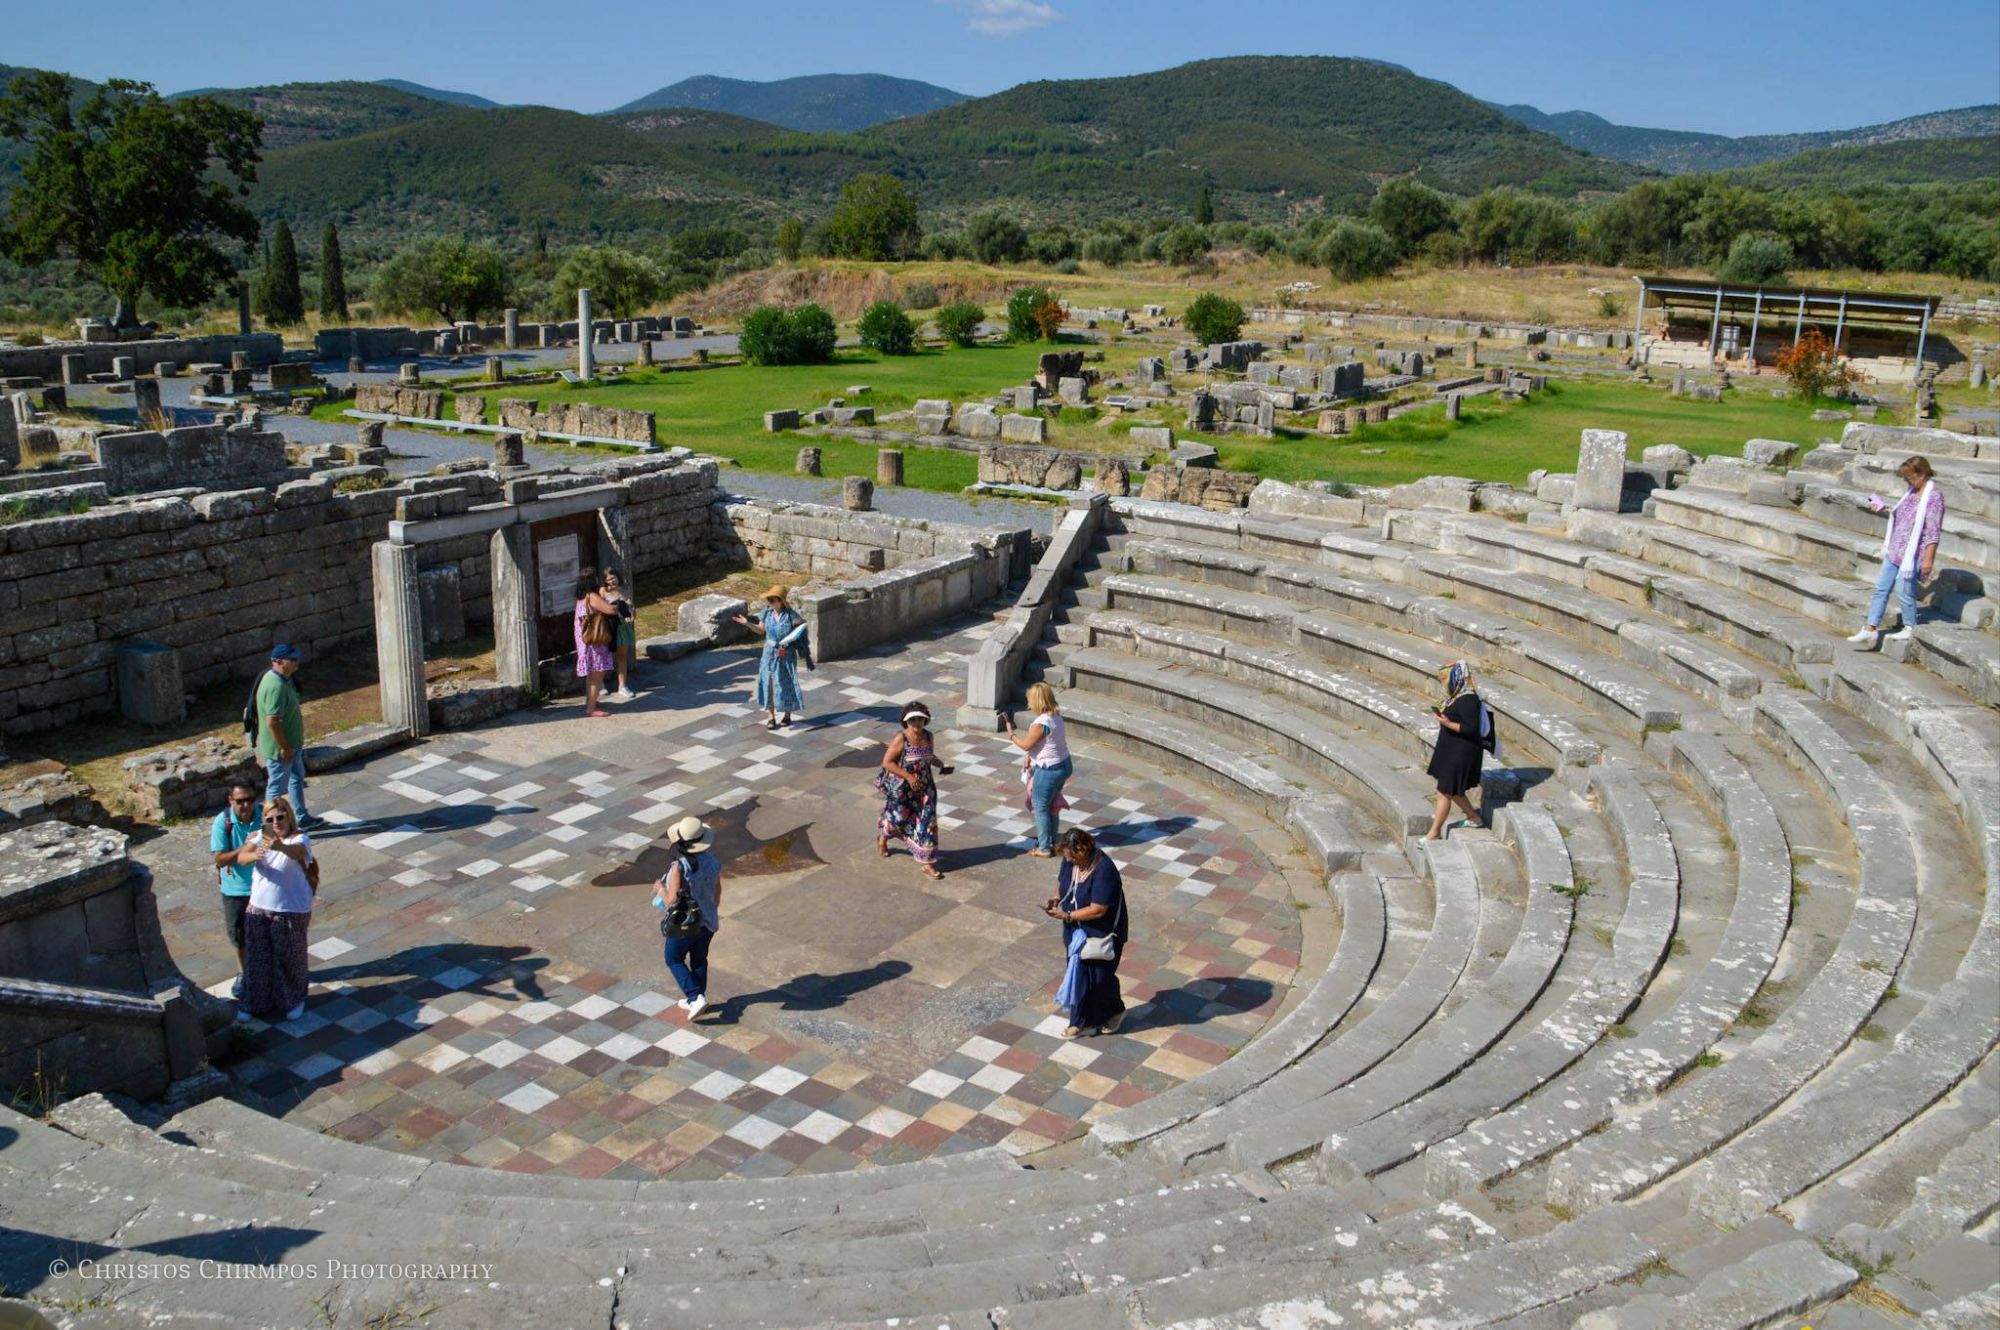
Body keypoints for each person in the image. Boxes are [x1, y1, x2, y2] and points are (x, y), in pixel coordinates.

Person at [232, 795, 318, 1023]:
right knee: (257, 959)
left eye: (280, 817)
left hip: (291, 909)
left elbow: (297, 852)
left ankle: (294, 1000)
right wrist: (255, 854)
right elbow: (242, 857)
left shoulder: (300, 838)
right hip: (258, 908)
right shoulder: (259, 837)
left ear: (288, 817)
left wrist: (277, 845)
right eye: (270, 819)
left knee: (290, 958)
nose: (276, 823)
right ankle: (254, 1002)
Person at [1848, 455, 1945, 649]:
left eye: (1910, 478)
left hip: (1913, 554)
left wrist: (1928, 559)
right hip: (1895, 549)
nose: (1907, 482)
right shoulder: (1911, 492)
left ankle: (1910, 626)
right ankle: (1870, 627)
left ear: (1922, 474)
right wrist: (1883, 507)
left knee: (1903, 590)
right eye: (1906, 479)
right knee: (1881, 589)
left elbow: (1933, 532)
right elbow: (1903, 517)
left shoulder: (1934, 497)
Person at [1044, 828, 1128, 1038]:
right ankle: (1080, 1022)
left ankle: (1114, 1010)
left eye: (1072, 857)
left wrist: (1067, 915)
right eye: (1067, 857)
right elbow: (1062, 883)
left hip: (1101, 933)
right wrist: (1055, 898)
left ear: (1082, 850)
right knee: (1078, 976)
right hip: (1076, 932)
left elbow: (1098, 909)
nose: (1068, 861)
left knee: (1100, 978)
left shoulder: (1104, 871)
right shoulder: (1070, 861)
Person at [652, 815, 723, 1018]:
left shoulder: (679, 867)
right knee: (699, 960)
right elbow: (717, 891)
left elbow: (672, 901)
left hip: (685, 924)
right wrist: (710, 909)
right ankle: (697, 998)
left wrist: (659, 889)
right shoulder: (713, 861)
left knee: (673, 959)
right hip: (708, 921)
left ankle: (694, 997)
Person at [877, 703, 948, 880]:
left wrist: (940, 764)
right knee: (898, 818)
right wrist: (909, 777)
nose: (917, 723)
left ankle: (927, 863)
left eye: (920, 719)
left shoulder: (928, 736)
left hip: (925, 788)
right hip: (903, 788)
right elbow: (887, 762)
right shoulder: (901, 738)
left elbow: (928, 756)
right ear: (906, 721)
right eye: (913, 719)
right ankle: (883, 837)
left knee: (928, 823)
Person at [1004, 682, 1073, 859]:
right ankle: (1054, 842)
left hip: (1049, 770)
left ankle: (1044, 848)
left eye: (1030, 700)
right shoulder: (1055, 716)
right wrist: (1029, 755)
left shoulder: (1041, 723)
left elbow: (1026, 744)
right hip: (1064, 765)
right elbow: (1044, 743)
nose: (1028, 704)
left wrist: (1011, 734)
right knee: (1052, 805)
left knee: (1040, 806)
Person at [1425, 660, 1490, 841]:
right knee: (1452, 790)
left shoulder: (1468, 699)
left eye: (1447, 678)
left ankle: (1434, 833)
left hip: (1461, 753)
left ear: (1457, 677)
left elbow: (1471, 729)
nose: (1445, 683)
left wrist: (1447, 723)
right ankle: (1474, 817)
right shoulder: (1457, 695)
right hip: (1451, 750)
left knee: (1444, 792)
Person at [209, 781, 260, 1000]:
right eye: (240, 801)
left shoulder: (265, 815)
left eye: (250, 800)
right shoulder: (223, 822)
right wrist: (246, 848)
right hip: (235, 890)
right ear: (230, 801)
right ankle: (244, 973)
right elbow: (219, 859)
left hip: (264, 885)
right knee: (239, 936)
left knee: (269, 932)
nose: (246, 805)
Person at [256, 644, 316, 829]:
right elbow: (272, 722)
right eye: (292, 659)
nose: (297, 662)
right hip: (281, 749)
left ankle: (301, 817)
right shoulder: (275, 687)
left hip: (292, 745)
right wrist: (285, 748)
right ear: (278, 661)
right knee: (275, 790)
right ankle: (270, 829)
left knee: (296, 779)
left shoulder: (284, 679)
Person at [732, 586, 806, 730]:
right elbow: (760, 630)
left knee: (786, 683)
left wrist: (794, 638)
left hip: (786, 653)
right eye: (768, 600)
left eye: (772, 600)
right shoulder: (766, 613)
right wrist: (747, 623)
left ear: (781, 601)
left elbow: (801, 629)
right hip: (769, 653)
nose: (769, 602)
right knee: (768, 683)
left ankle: (787, 714)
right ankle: (771, 716)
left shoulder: (791, 615)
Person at [574, 566, 621, 718]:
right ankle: (591, 709)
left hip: (585, 639)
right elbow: (610, 610)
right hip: (595, 641)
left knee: (591, 674)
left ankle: (591, 701)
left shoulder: (581, 597)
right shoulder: (592, 596)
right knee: (597, 675)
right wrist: (619, 604)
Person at [601, 567, 638, 698]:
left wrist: (632, 614)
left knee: (622, 657)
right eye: (608, 579)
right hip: (608, 627)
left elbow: (631, 609)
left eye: (613, 578)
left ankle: (622, 686)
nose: (612, 581)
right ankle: (600, 683)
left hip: (622, 627)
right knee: (604, 656)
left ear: (618, 577)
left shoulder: (625, 591)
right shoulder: (603, 591)